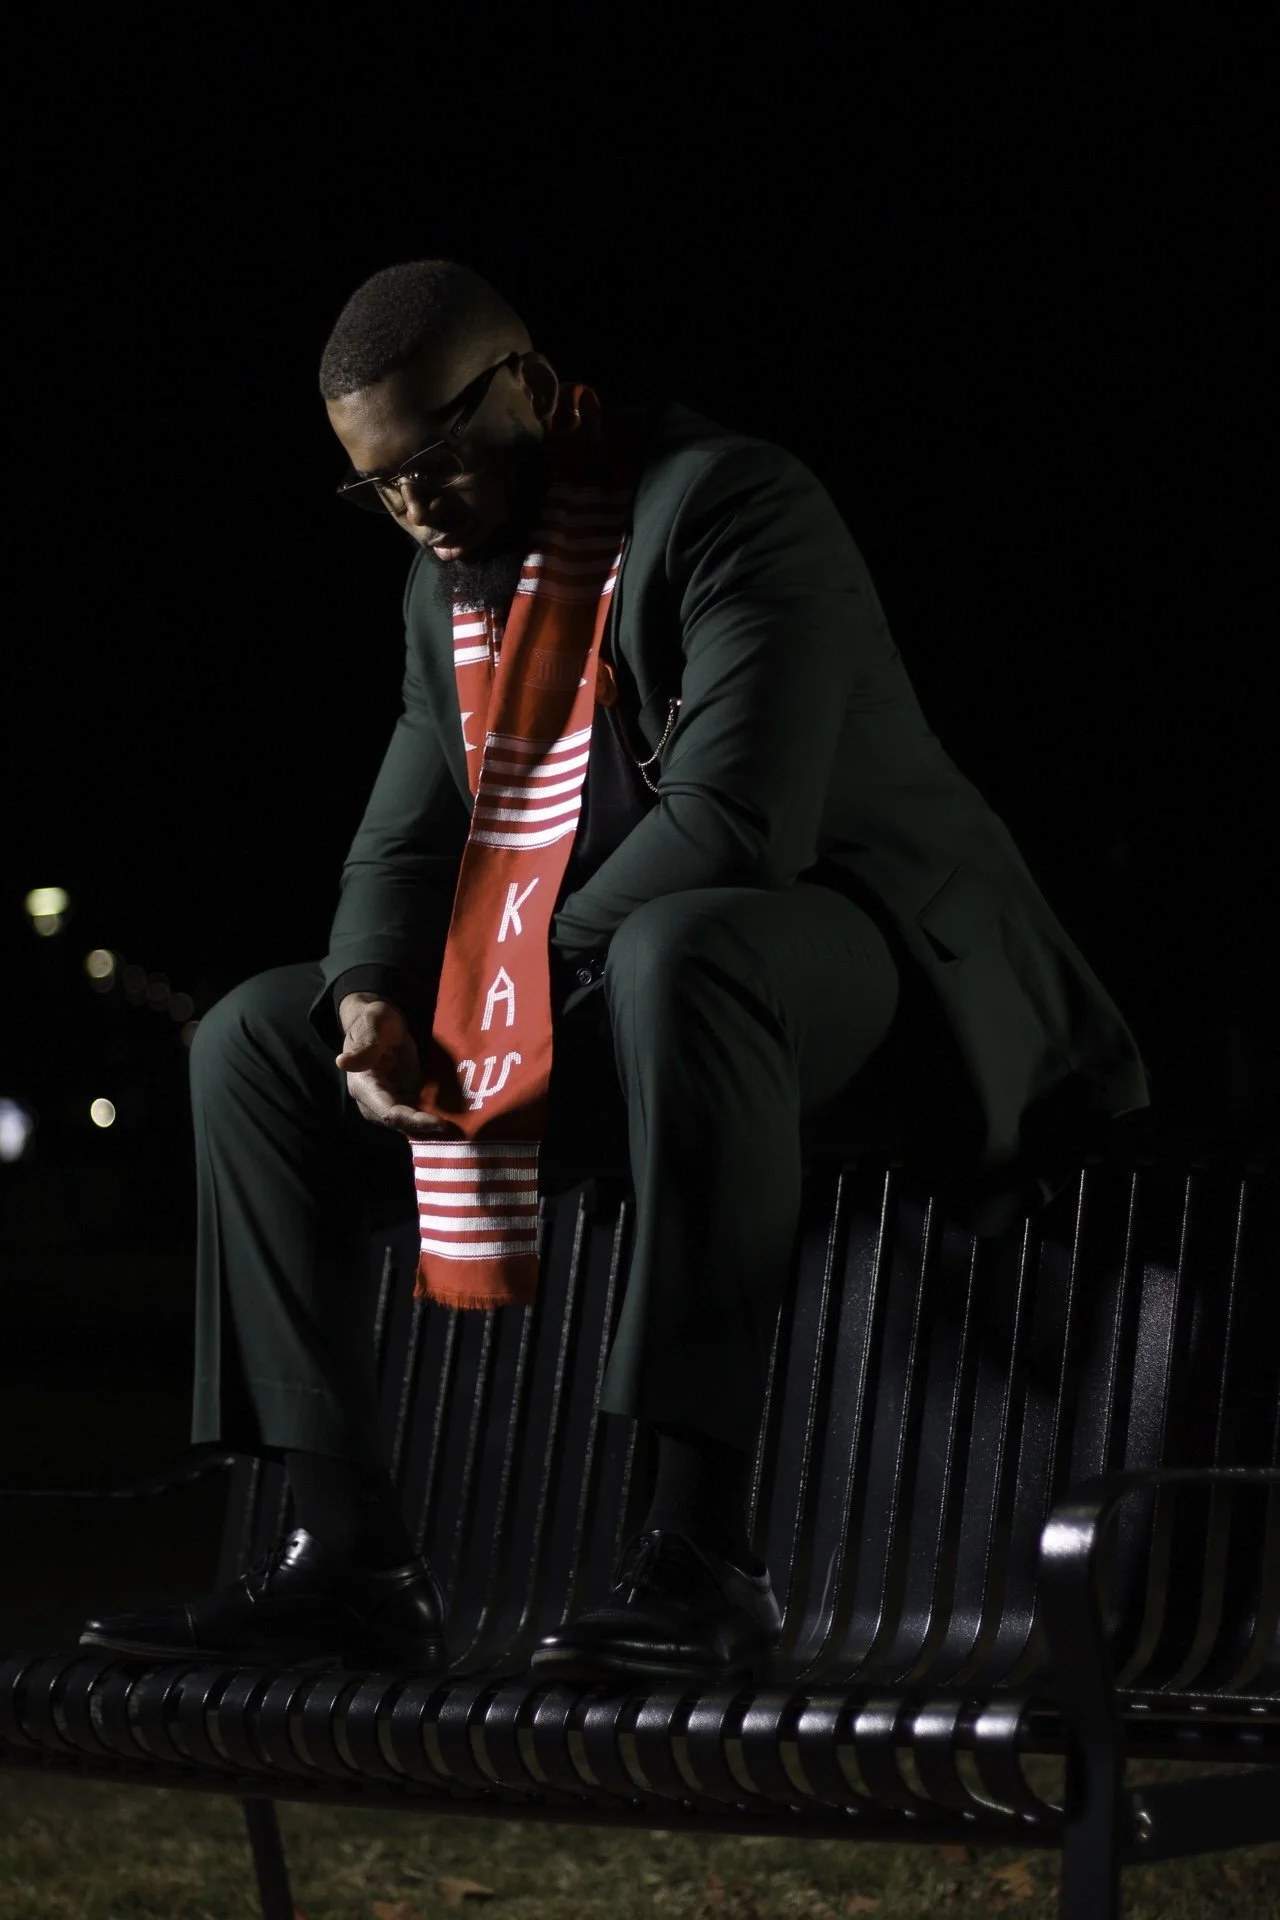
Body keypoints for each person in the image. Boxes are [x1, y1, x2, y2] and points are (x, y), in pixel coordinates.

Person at [80, 259, 1150, 1684]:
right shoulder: (443, 589)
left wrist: (498, 995)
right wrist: (367, 1004)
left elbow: (736, 824)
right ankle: (348, 1566)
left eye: (440, 460)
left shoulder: (726, 503)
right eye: (380, 486)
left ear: (527, 382)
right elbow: (406, 840)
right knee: (252, 1041)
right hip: (618, 994)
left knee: (681, 945)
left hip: (878, 970)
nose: (417, 508)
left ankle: (704, 1565)